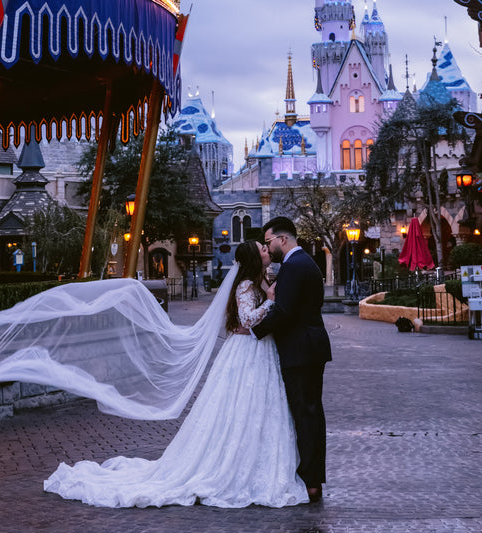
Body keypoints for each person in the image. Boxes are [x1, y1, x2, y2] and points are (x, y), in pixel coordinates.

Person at [42, 238, 308, 507]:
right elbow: (246, 319)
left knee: (257, 408)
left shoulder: (257, 281)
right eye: (262, 249)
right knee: (239, 406)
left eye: (266, 246)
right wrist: (270, 302)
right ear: (254, 257)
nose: (266, 250)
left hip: (257, 349)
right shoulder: (246, 285)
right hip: (247, 351)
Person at [251, 216, 332, 503]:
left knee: (306, 415)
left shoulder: (295, 266)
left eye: (269, 241)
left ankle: (311, 481)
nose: (268, 247)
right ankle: (312, 478)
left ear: (283, 240)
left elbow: (284, 311)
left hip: (301, 351)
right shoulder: (303, 263)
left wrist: (253, 331)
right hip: (308, 348)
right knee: (309, 413)